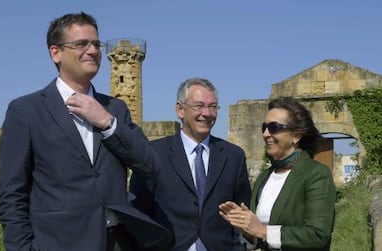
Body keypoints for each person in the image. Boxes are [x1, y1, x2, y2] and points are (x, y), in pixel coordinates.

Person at [0, 12, 171, 251]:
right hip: (58, 244)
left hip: (118, 242)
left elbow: (150, 165)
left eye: (96, 44)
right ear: (55, 52)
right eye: (81, 44)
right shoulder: (25, 111)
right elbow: (11, 195)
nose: (92, 50)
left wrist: (108, 123)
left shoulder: (115, 109)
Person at [129, 77, 252, 251]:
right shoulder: (154, 154)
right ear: (180, 109)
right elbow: (139, 213)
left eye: (213, 106)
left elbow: (243, 212)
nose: (207, 113)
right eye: (199, 106)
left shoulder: (233, 156)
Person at [219, 96, 337, 251]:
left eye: (274, 127)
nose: (266, 134)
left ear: (295, 136)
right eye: (264, 127)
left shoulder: (316, 174)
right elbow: (256, 238)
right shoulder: (265, 176)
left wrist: (262, 231)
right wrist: (246, 227)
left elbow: (318, 235)